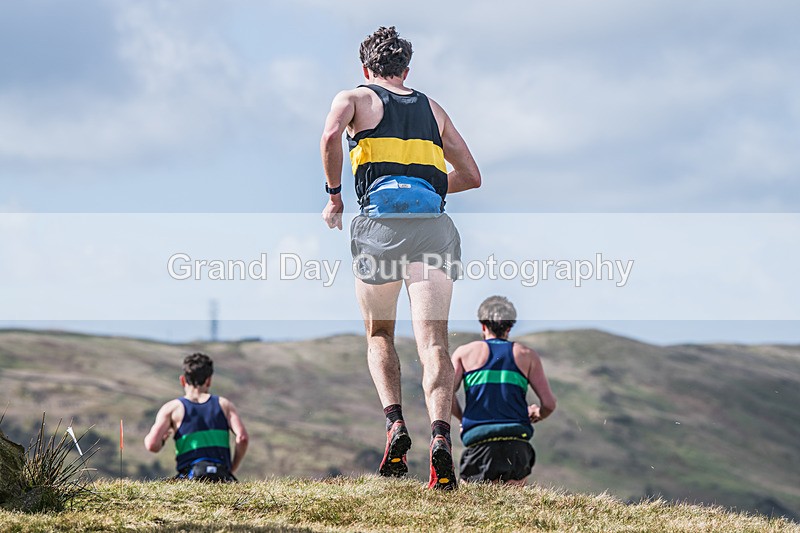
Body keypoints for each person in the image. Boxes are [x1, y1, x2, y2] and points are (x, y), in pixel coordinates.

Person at [320, 26, 481, 490]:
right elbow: (470, 176)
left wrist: (335, 197)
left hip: (380, 229)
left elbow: (331, 135)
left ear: (365, 68)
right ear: (407, 69)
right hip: (432, 229)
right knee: (434, 344)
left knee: (379, 334)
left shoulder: (353, 97)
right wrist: (426, 185)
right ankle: (440, 439)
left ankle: (395, 425)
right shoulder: (434, 109)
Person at [451, 296, 557, 485]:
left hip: (479, 442)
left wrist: (464, 419)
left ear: (483, 325)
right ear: (509, 327)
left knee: (473, 507)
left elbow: (445, 394)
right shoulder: (527, 355)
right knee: (512, 506)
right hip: (516, 442)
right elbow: (549, 404)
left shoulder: (464, 353)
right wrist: (536, 413)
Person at [144, 353, 248, 481]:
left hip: (190, 476)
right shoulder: (224, 405)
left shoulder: (172, 408)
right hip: (221, 475)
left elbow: (152, 445)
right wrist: (231, 468)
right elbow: (242, 438)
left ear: (182, 380)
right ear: (209, 380)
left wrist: (163, 440)